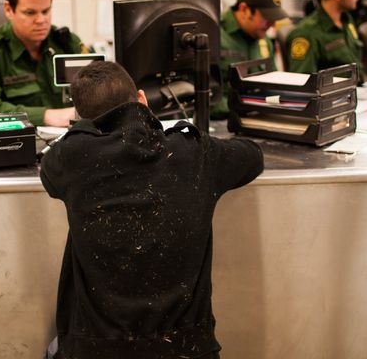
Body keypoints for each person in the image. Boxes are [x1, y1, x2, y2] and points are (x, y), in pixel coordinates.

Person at [39, 61, 264, 359]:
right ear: (143, 100)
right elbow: (253, 156)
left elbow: (49, 171)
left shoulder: (71, 158)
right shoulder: (195, 153)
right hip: (186, 350)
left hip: (99, 350)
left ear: (80, 119)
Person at [213, 0, 289, 118]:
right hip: (220, 122)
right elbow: (205, 100)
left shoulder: (264, 41)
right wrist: (247, 106)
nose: (272, 25)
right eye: (267, 18)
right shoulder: (213, 35)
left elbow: (275, 86)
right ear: (244, 10)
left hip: (259, 119)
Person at [287, 0, 363, 76]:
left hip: (358, 89)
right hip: (336, 92)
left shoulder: (347, 21)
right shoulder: (307, 32)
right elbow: (301, 83)